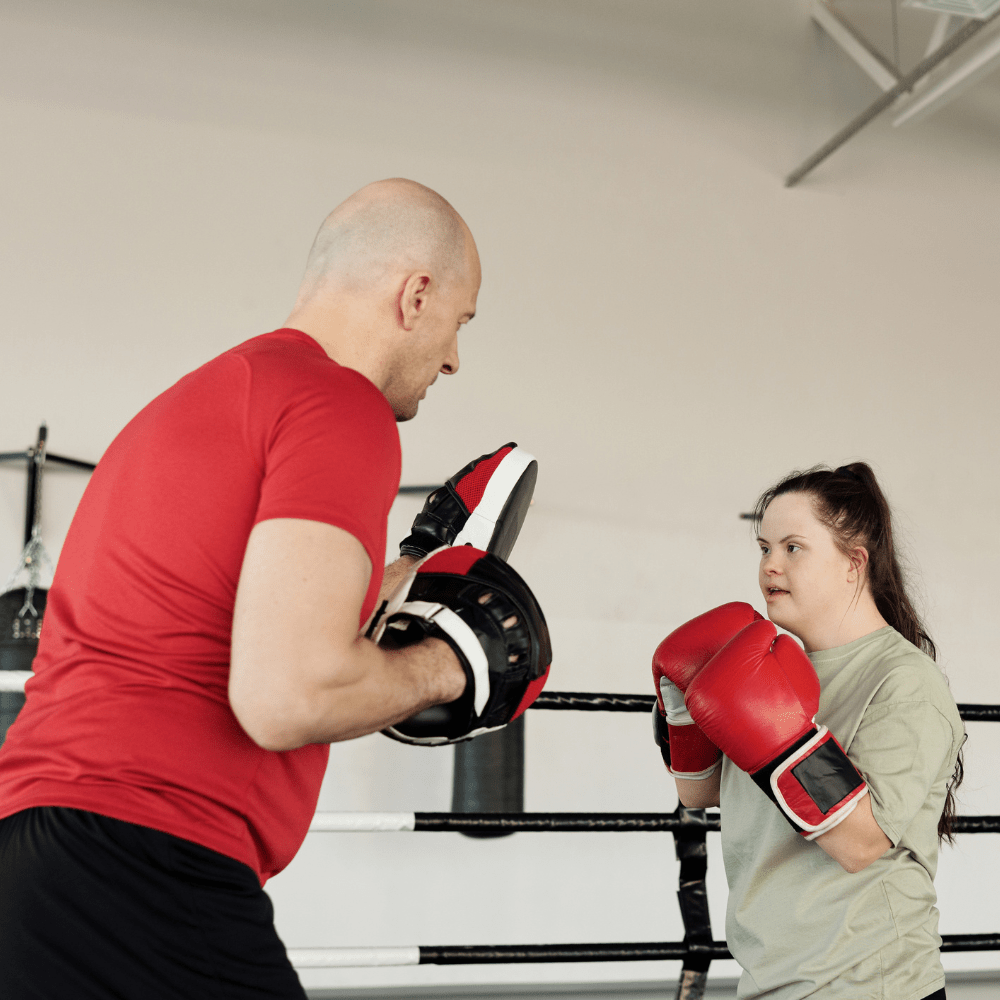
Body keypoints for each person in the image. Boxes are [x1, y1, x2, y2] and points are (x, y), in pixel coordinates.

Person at [0, 178, 545, 999]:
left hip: (33, 858)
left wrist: (397, 583)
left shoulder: (191, 404)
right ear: (416, 295)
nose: (452, 359)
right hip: (146, 861)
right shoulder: (338, 406)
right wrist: (452, 665)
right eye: (458, 324)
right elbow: (288, 696)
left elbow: (224, 621)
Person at [652, 463, 965, 1000]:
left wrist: (779, 736)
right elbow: (698, 794)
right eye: (764, 547)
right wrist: (684, 711)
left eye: (793, 547)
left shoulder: (903, 681)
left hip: (868, 985)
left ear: (853, 564)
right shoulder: (762, 667)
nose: (770, 565)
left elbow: (860, 843)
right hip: (770, 978)